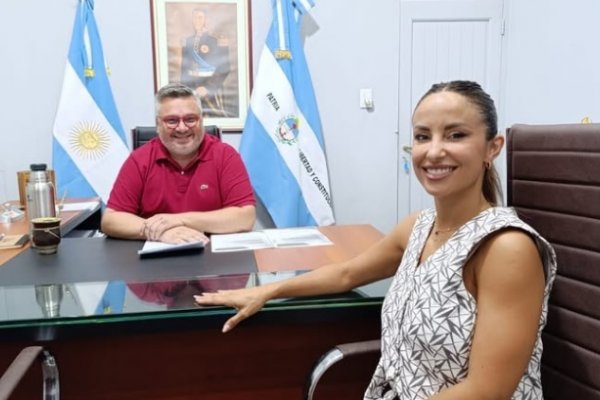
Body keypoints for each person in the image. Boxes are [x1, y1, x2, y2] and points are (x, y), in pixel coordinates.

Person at [195, 80, 557, 399]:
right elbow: (346, 274)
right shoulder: (419, 226)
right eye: (422, 136)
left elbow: (487, 391)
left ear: (493, 148)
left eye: (456, 135)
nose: (433, 151)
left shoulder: (506, 248)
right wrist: (267, 291)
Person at [101, 83, 255, 244]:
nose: (182, 128)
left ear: (201, 120)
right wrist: (160, 232)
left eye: (190, 119)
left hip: (215, 256)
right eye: (172, 121)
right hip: (157, 257)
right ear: (158, 124)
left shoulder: (225, 155)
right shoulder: (139, 159)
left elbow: (245, 218)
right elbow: (111, 220)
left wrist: (178, 220)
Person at [180, 8, 232, 118]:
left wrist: (208, 88)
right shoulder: (187, 41)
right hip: (192, 88)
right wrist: (188, 91)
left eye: (200, 18)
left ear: (206, 20)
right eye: (195, 18)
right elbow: (183, 70)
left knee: (214, 121)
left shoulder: (217, 41)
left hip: (212, 88)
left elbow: (224, 68)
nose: (197, 21)